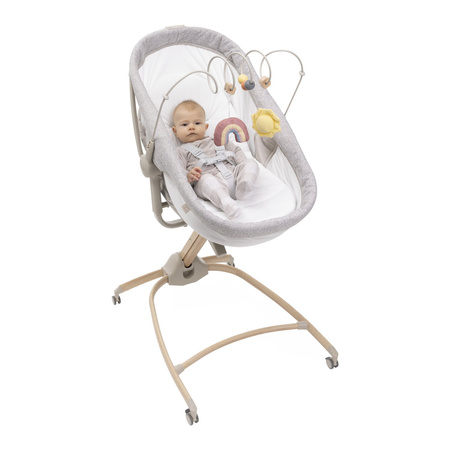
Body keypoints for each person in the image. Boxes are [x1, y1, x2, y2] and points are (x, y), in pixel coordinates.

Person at [172, 100, 259, 219]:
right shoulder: (180, 151)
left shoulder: (217, 140)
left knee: (251, 163)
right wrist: (189, 175)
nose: (191, 127)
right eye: (184, 125)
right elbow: (178, 171)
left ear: (205, 127)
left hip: (233, 174)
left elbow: (236, 150)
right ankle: (227, 203)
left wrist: (242, 164)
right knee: (206, 180)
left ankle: (245, 185)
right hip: (208, 180)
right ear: (175, 131)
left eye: (197, 123)